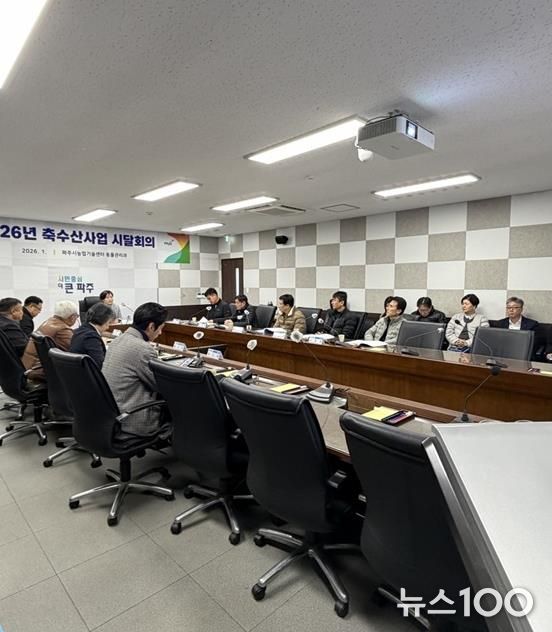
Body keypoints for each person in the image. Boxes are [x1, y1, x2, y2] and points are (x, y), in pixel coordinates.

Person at [102, 302, 169, 438]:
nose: (160, 333)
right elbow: (160, 386)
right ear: (151, 326)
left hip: (111, 414)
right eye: (161, 328)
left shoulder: (118, 340)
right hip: (131, 418)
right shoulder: (143, 349)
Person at [22, 300, 79, 380]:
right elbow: (74, 350)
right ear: (72, 317)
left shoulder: (49, 321)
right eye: (77, 316)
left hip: (28, 366)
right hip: (38, 371)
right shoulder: (63, 329)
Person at [69, 303, 116, 368]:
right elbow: (100, 365)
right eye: (108, 323)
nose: (108, 327)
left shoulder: (80, 330)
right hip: (87, 373)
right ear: (102, 320)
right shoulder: (91, 337)